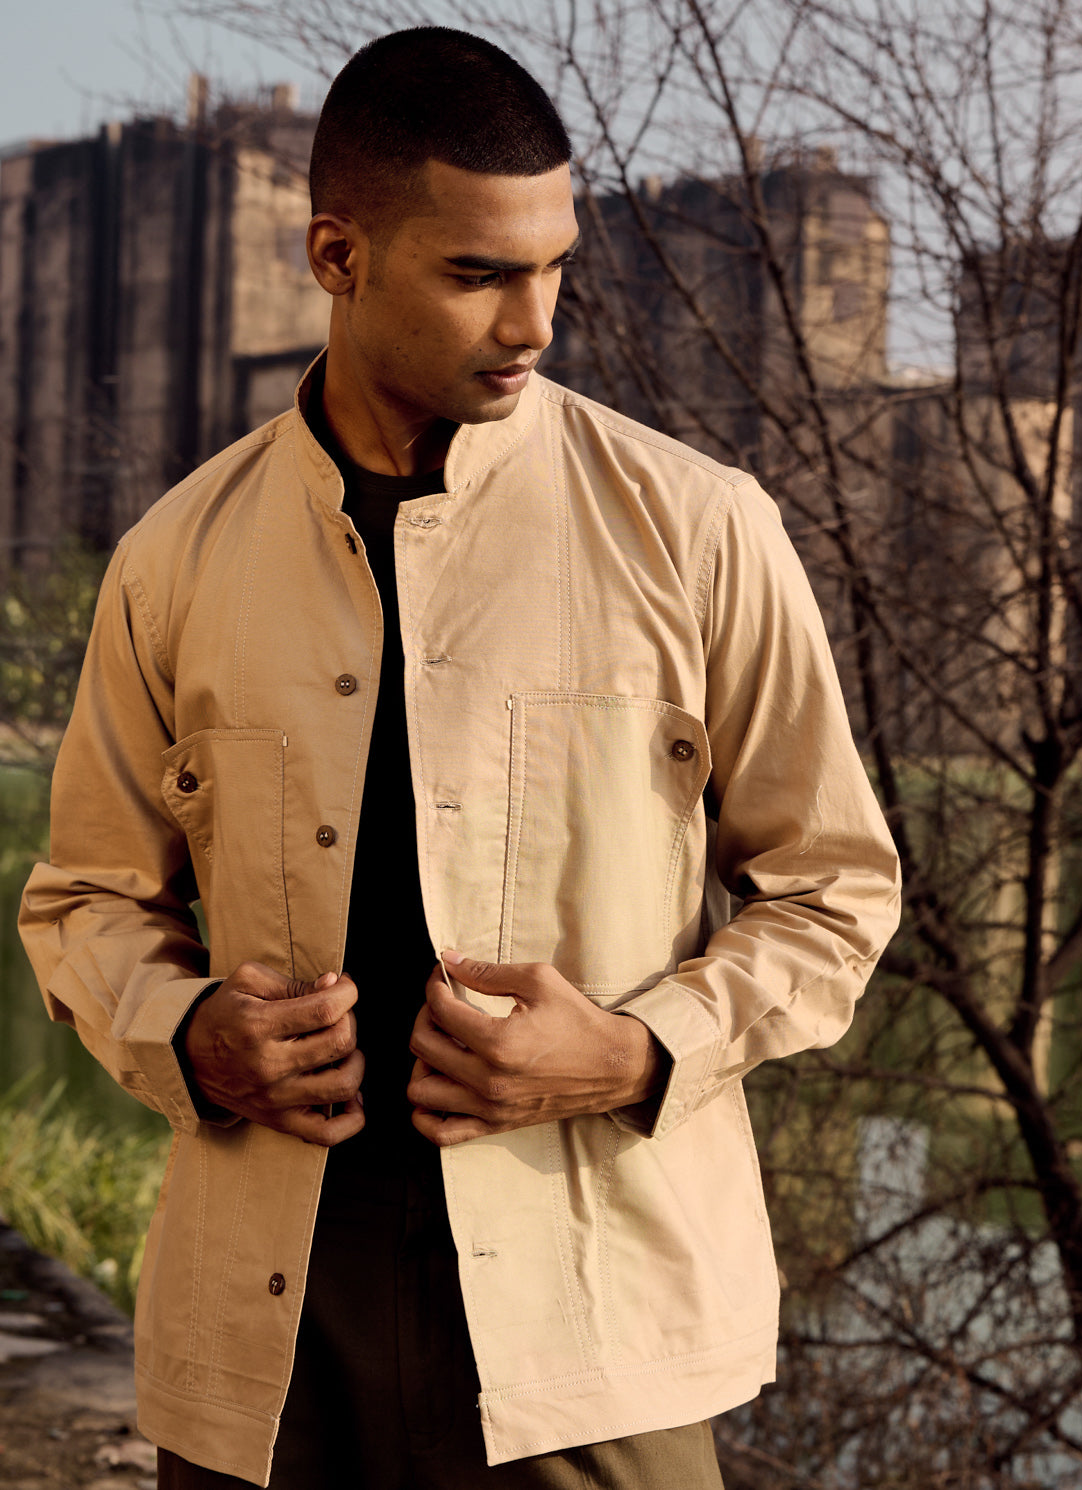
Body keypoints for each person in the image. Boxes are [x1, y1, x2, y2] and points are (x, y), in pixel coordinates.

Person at [19, 25, 901, 1490]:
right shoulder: (175, 558)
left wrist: (636, 1050)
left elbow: (836, 891)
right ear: (337, 255)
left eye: (556, 266)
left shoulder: (696, 529)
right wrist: (188, 1032)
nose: (534, 320)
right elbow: (85, 900)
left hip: (590, 1338)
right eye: (480, 273)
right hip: (266, 1342)